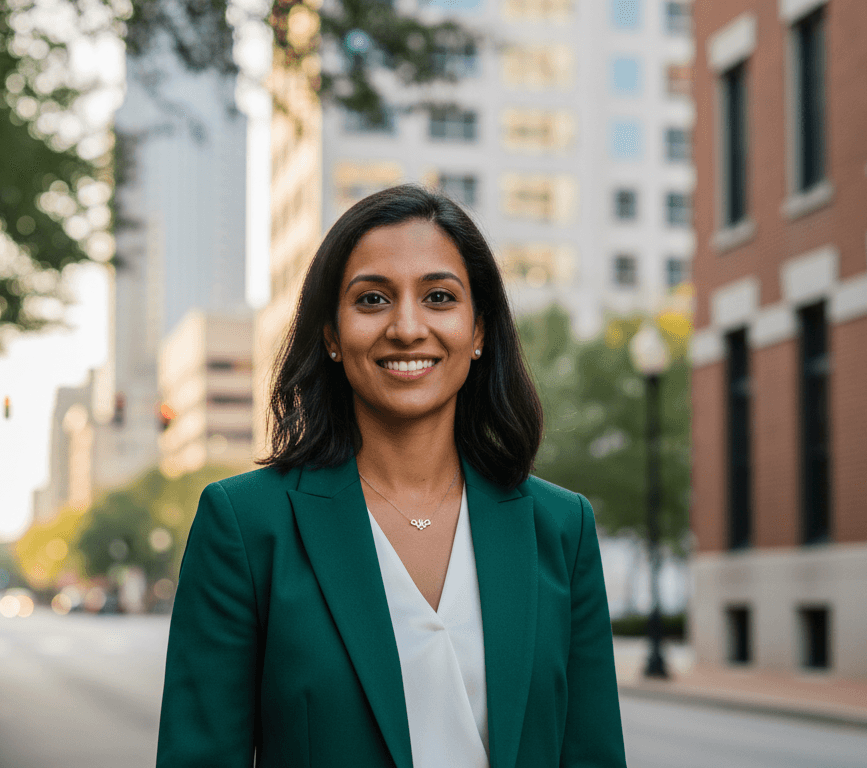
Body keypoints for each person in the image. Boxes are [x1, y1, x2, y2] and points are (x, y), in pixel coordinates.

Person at [156, 185, 626, 767]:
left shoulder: (560, 527)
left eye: (439, 297)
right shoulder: (246, 526)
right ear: (331, 334)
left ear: (479, 330)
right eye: (373, 299)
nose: (406, 327)